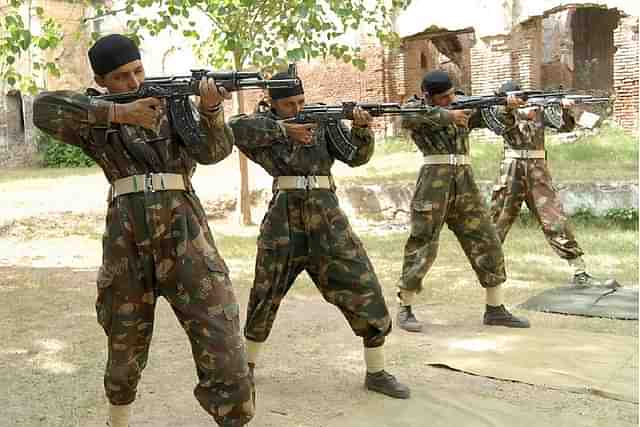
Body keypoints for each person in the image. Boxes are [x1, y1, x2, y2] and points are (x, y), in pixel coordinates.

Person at [32, 34, 254, 427]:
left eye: (137, 71)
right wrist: (119, 114)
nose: (134, 83)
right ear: (101, 81)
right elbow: (43, 110)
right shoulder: (95, 112)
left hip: (187, 235)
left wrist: (211, 109)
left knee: (223, 340)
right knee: (124, 346)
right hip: (126, 239)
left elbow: (214, 152)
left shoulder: (173, 106)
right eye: (120, 77)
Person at [228, 74, 410, 399]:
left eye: (300, 102)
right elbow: (234, 128)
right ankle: (247, 369)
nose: (298, 109)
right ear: (272, 104)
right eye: (289, 105)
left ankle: (377, 371)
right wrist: (284, 129)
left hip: (327, 216)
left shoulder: (322, 121)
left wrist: (361, 128)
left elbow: (356, 156)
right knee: (265, 292)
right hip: (284, 217)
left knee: (363, 285)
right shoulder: (263, 125)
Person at [395, 70, 531, 333]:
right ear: (428, 96)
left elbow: (494, 121)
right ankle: (405, 306)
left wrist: (507, 107)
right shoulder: (416, 107)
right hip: (434, 181)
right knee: (423, 242)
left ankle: (495, 308)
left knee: (486, 238)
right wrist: (448, 115)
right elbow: (408, 116)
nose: (451, 99)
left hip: (465, 182)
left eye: (452, 95)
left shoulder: (462, 104)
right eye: (444, 97)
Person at [490, 80, 616, 287]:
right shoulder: (498, 111)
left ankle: (579, 271)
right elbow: (500, 121)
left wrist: (566, 110)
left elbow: (564, 126)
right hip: (511, 169)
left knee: (554, 219)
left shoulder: (538, 109)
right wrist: (513, 109)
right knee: (497, 220)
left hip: (537, 170)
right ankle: (487, 268)